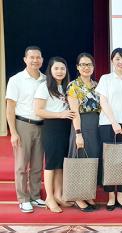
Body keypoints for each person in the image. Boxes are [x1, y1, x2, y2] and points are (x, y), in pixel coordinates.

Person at [96, 48, 122, 211]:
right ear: (112, 60)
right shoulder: (105, 79)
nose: (121, 62)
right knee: (109, 159)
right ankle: (110, 196)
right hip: (108, 123)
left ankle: (121, 194)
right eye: (118, 59)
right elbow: (103, 101)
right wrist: (114, 122)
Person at [5, 46, 46, 213]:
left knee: (37, 165)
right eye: (32, 57)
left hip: (42, 125)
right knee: (21, 165)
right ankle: (23, 198)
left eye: (38, 57)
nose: (35, 60)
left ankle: (35, 196)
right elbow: (9, 108)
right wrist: (13, 132)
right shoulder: (16, 80)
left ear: (42, 60)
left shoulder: (45, 79)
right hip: (23, 125)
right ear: (25, 59)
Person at [34, 57, 74, 213]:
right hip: (52, 127)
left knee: (61, 163)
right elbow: (38, 111)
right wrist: (60, 114)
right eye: (56, 68)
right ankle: (49, 198)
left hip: (66, 127)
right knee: (51, 163)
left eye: (62, 68)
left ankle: (59, 194)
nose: (60, 71)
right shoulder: (43, 87)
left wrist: (64, 116)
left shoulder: (67, 87)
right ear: (50, 70)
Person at [66, 53, 100, 212]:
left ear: (93, 67)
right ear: (77, 67)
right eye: (83, 64)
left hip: (96, 126)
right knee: (79, 158)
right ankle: (78, 197)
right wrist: (78, 133)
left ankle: (87, 193)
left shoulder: (97, 84)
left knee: (92, 158)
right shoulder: (73, 86)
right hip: (81, 125)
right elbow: (74, 112)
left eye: (89, 64)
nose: (86, 67)